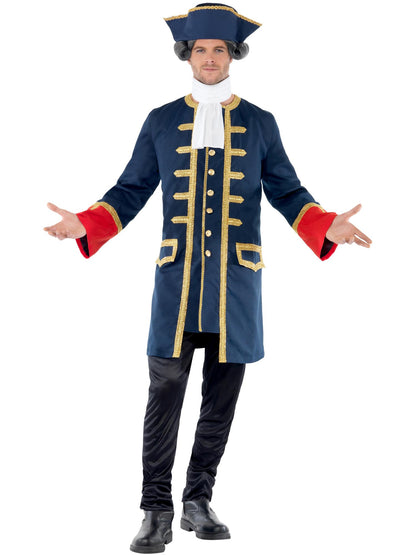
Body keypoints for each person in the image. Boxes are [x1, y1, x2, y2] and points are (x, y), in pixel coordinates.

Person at [44, 3, 372, 553]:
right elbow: (131, 189)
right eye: (201, 49)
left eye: (220, 49)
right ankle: (155, 509)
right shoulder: (161, 120)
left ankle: (198, 500)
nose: (211, 58)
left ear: (233, 55)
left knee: (221, 400)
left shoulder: (261, 122)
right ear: (187, 55)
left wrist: (325, 224)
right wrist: (87, 221)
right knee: (164, 395)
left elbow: (288, 191)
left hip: (235, 287)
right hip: (176, 285)